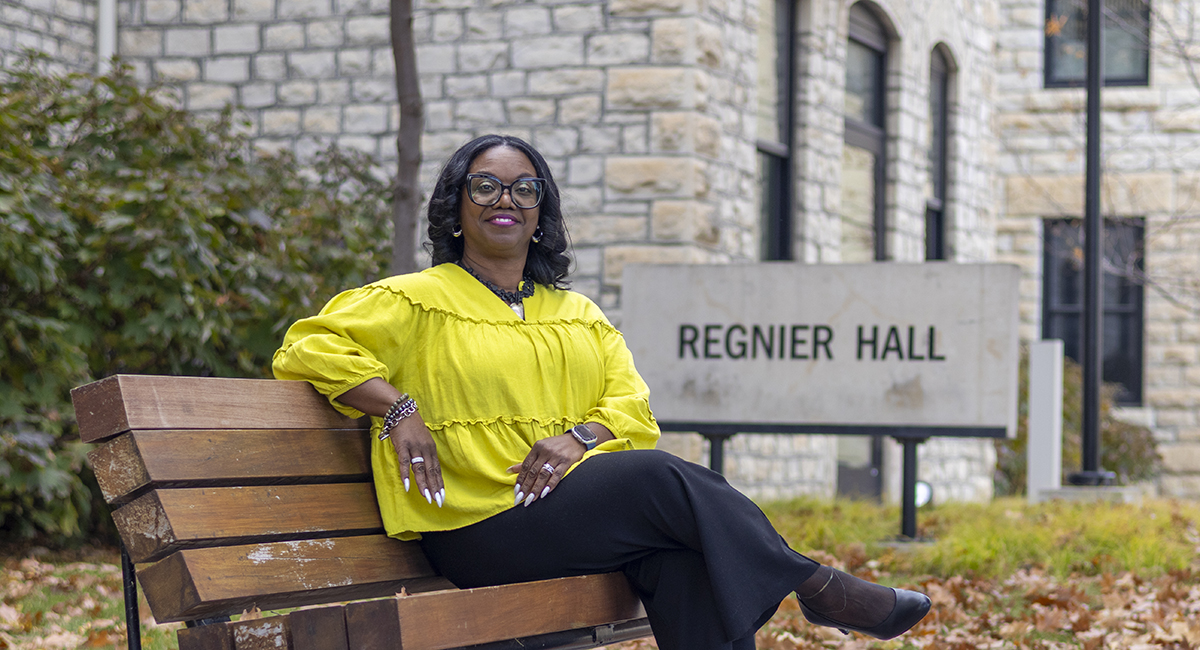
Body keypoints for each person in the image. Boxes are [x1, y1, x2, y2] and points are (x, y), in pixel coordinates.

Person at [272, 134, 931, 650]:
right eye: (486, 187)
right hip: (474, 527)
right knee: (660, 481)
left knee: (686, 561)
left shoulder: (577, 314)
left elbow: (632, 408)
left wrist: (580, 436)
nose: (506, 199)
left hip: (564, 518)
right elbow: (307, 347)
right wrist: (399, 407)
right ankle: (819, 586)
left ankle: (820, 589)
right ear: (455, 208)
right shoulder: (413, 300)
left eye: (523, 189)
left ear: (540, 214)